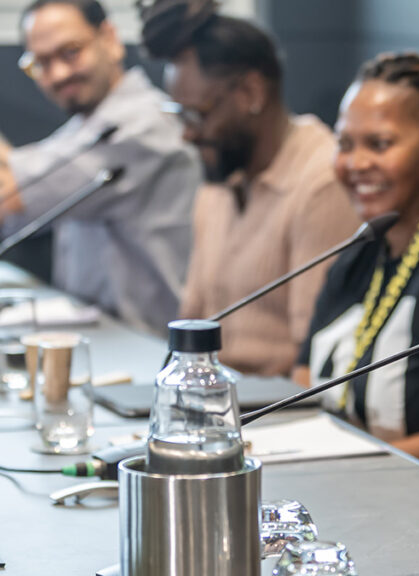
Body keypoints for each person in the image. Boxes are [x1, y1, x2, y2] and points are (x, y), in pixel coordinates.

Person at [0, 0, 198, 334]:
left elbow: (9, 189)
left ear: (109, 38)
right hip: (96, 333)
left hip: (148, 345)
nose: (58, 73)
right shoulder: (85, 130)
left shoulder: (142, 125)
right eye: (41, 63)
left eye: (70, 52)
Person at [140, 0, 360, 375]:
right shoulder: (223, 171)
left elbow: (313, 358)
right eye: (179, 116)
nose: (188, 134)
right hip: (210, 398)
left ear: (251, 93)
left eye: (197, 115)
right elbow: (191, 321)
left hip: (274, 410)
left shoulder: (320, 182)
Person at [292, 52, 419, 444]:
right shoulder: (364, 246)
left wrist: (363, 462)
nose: (356, 163)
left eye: (379, 144)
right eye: (345, 143)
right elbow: (303, 372)